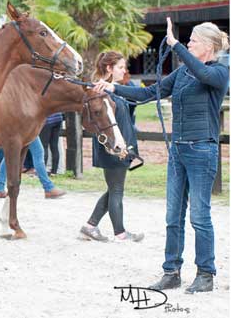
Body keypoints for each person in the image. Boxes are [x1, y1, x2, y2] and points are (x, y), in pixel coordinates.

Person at [93, 18, 229, 294]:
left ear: (207, 46)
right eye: (187, 40)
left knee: (199, 217)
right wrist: (113, 88)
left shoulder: (220, 70)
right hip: (178, 150)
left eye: (192, 41)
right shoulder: (182, 74)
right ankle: (172, 271)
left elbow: (204, 75)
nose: (188, 44)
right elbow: (150, 93)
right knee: (172, 216)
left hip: (202, 149)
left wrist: (176, 45)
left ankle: (206, 273)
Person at [79, 51, 143, 244]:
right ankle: (120, 233)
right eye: (121, 67)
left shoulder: (112, 89)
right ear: (109, 68)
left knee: (113, 189)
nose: (124, 71)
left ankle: (90, 226)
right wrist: (120, 146)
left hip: (121, 145)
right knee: (116, 190)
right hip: (114, 146)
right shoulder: (99, 91)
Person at [0, 137, 66, 199]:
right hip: (26, 126)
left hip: (18, 126)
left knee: (10, 154)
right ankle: (48, 188)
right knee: (38, 152)